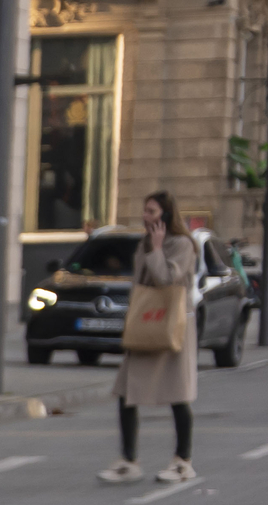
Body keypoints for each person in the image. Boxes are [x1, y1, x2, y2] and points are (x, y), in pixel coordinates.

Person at [100, 191, 197, 486]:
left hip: (171, 327)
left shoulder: (182, 244)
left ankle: (183, 461)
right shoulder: (143, 244)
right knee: (127, 392)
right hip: (145, 325)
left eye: (152, 212)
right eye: (145, 211)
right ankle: (129, 460)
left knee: (177, 395)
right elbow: (141, 285)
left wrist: (156, 249)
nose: (146, 217)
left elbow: (166, 279)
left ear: (166, 215)